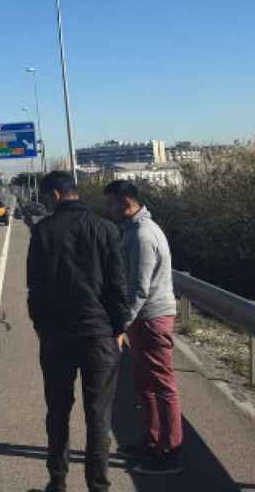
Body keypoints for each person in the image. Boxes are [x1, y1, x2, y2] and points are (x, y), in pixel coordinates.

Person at [27, 171, 132, 492]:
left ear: (56, 196)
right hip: (99, 334)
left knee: (58, 411)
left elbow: (35, 289)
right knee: (99, 416)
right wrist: (118, 327)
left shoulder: (43, 232)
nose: (45, 204)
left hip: (57, 337)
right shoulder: (106, 229)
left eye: (46, 198)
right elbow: (117, 287)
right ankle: (98, 487)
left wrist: (42, 328)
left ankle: (57, 482)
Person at [104, 180, 183, 475]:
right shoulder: (132, 230)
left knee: (162, 385)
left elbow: (140, 289)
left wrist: (121, 325)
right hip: (142, 319)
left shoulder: (142, 235)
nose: (107, 209)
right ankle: (151, 441)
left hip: (150, 318)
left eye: (110, 203)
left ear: (126, 202)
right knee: (144, 383)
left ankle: (170, 451)